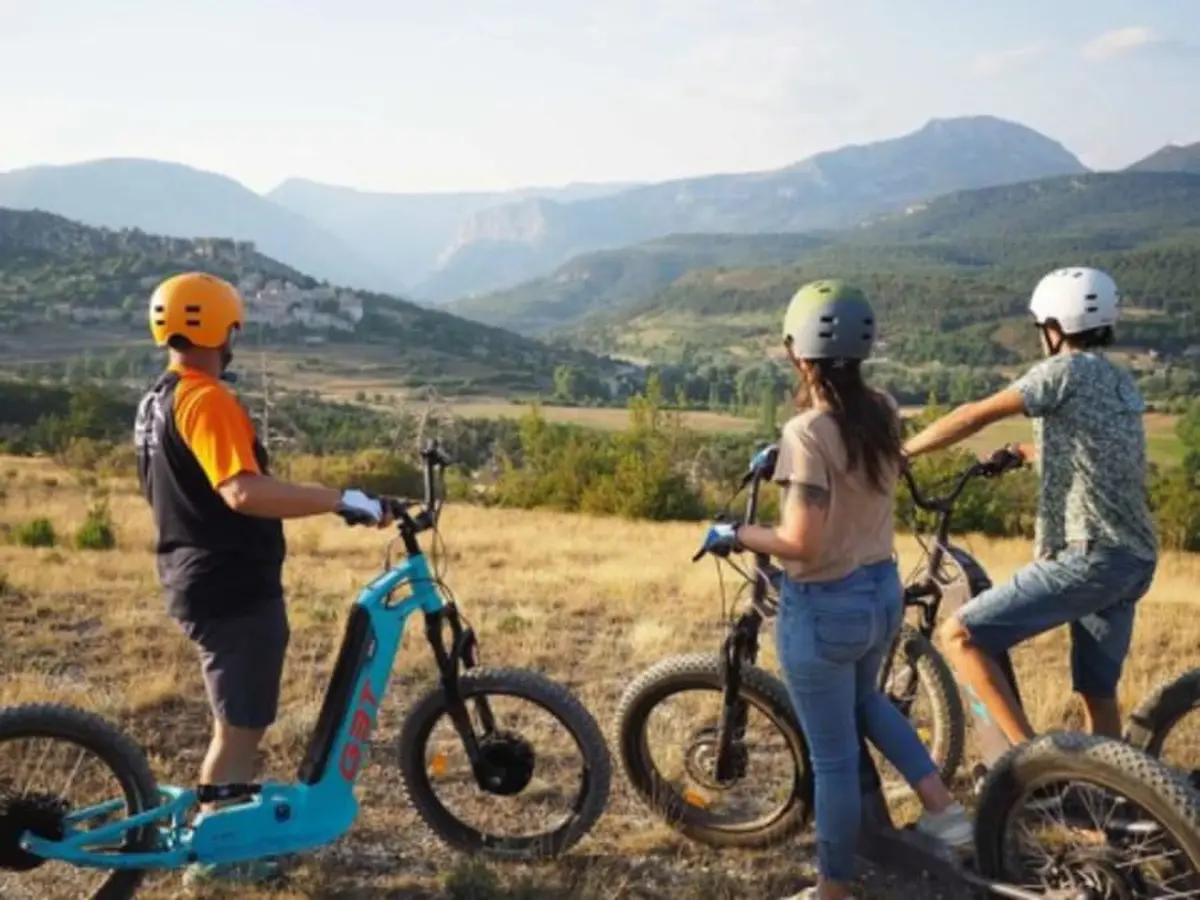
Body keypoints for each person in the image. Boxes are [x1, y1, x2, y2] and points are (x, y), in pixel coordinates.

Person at [701, 280, 972, 900]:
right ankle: (944, 812)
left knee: (833, 760)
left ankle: (834, 889)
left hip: (826, 608)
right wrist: (788, 467)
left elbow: (801, 543)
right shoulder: (880, 408)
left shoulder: (806, 431)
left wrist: (733, 533)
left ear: (799, 352)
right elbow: (855, 473)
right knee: (863, 706)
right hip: (880, 592)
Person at [134, 271, 390, 889]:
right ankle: (215, 860)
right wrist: (340, 498)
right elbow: (242, 491)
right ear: (225, 330)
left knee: (243, 719)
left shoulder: (156, 399)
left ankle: (231, 830)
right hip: (229, 584)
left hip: (194, 572)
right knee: (240, 725)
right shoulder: (205, 398)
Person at [902, 266, 1157, 747]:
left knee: (960, 636)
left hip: (1090, 556)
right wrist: (1026, 453)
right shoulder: (1120, 381)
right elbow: (1099, 454)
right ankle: (1112, 796)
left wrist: (902, 453)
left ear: (1054, 327)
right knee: (1097, 692)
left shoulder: (1060, 372)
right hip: (1134, 558)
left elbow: (972, 415)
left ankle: (1033, 767)